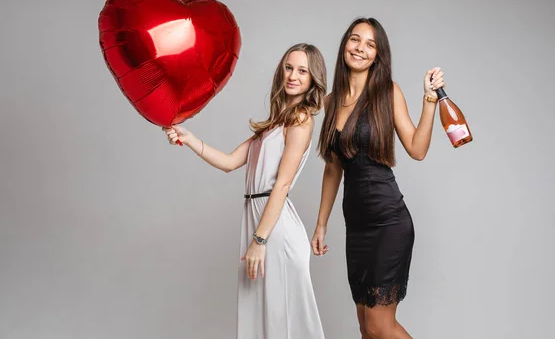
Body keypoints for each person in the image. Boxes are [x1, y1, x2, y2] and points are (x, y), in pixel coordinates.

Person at [164, 43, 327, 339]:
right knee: (263, 322)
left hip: (274, 230)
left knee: (281, 323)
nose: (293, 76)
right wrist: (189, 138)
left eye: (302, 71)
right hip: (260, 222)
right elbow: (228, 162)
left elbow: (282, 184)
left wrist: (259, 240)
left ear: (313, 79)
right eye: (289, 68)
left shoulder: (301, 120)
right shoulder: (273, 124)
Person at [311, 18, 446, 339]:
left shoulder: (387, 92)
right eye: (355, 40)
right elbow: (333, 168)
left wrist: (428, 100)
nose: (360, 48)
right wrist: (321, 223)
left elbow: (417, 148)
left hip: (388, 222)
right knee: (365, 328)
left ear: (377, 55)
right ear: (345, 44)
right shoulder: (330, 102)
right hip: (355, 227)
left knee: (379, 326)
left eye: (370, 44)